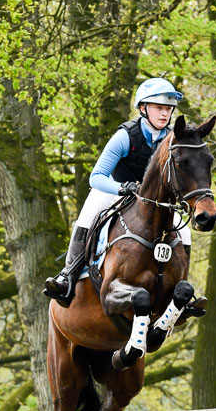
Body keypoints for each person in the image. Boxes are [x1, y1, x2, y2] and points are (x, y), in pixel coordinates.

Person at [44, 77, 197, 308]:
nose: (165, 114)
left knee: (183, 231)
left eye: (168, 109)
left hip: (152, 201)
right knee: (88, 215)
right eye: (159, 108)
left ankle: (182, 289)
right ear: (143, 108)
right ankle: (68, 277)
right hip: (115, 190)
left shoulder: (171, 140)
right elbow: (96, 176)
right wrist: (123, 188)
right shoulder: (126, 136)